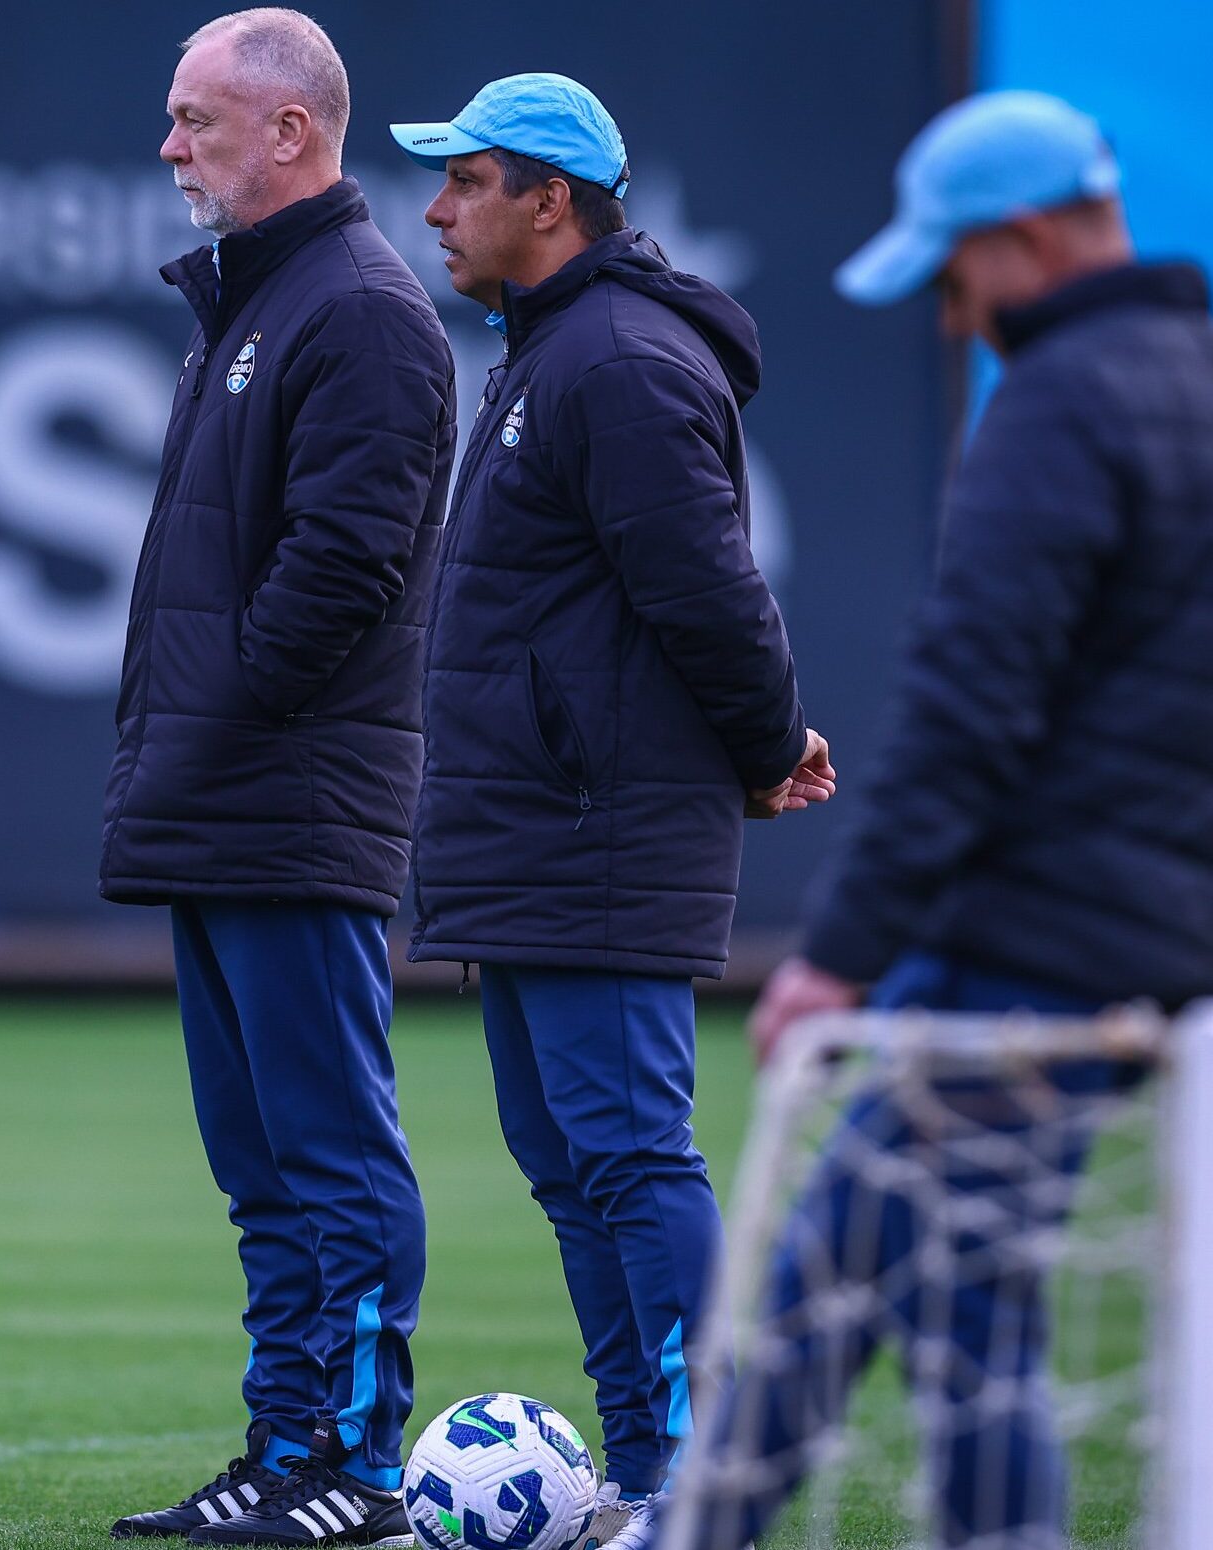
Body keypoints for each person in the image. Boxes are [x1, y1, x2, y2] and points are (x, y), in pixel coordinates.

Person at [699, 91, 1213, 1549]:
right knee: (968, 1307)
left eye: (952, 274)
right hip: (1160, 939)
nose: (950, 313)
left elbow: (965, 709)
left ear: (1029, 238)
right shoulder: (1197, 378)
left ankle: (705, 1533)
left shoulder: (1060, 400)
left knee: (817, 1281)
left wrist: (839, 956)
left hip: (1026, 938)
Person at [388, 73, 832, 1544]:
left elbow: (712, 590)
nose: (439, 208)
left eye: (467, 181)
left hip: (600, 827)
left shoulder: (621, 360)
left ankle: (707, 1485)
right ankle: (644, 1474)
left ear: (550, 200)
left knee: (632, 1157)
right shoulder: (550, 350)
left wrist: (769, 742)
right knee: (574, 1167)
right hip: (536, 828)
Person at [99, 11, 455, 1545]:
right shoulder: (261, 304)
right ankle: (287, 1443)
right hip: (226, 797)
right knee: (263, 1169)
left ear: (291, 130)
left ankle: (361, 1471)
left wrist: (218, 718)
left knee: (326, 1151)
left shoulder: (361, 309)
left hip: (291, 802)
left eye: (194, 118)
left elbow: (345, 570)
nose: (170, 146)